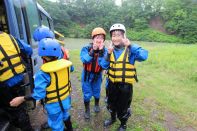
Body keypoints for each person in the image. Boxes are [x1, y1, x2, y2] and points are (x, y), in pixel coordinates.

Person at [10, 38, 73, 131]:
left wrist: (22, 98)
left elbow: (39, 94)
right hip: (66, 100)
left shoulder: (42, 74)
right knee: (65, 115)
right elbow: (71, 69)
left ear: (43, 56)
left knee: (56, 125)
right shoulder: (67, 65)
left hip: (53, 105)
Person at [101, 23, 148, 131]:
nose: (116, 38)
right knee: (110, 104)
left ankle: (123, 124)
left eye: (118, 35)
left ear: (124, 36)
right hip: (111, 84)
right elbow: (103, 65)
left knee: (123, 107)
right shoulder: (110, 50)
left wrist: (131, 45)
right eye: (113, 35)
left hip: (125, 86)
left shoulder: (130, 50)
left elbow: (144, 56)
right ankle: (112, 118)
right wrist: (108, 54)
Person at [0, 29, 33, 130]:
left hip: (4, 84)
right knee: (20, 106)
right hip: (20, 79)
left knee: (14, 109)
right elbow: (29, 50)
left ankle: (25, 127)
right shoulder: (12, 38)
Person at [80, 27, 107, 119]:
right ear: (93, 38)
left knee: (96, 91)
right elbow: (84, 60)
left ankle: (96, 105)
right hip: (87, 75)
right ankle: (87, 109)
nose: (99, 40)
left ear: (104, 40)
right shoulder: (86, 48)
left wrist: (102, 52)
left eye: (101, 38)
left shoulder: (105, 50)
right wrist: (93, 51)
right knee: (87, 93)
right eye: (97, 37)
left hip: (97, 75)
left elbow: (104, 65)